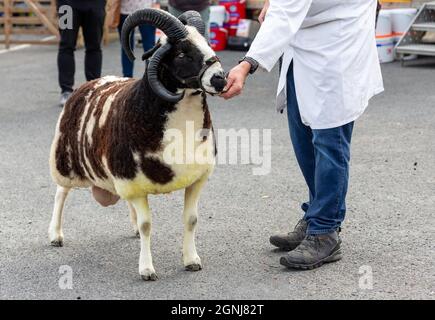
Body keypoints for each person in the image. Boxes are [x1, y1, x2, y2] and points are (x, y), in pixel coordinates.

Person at [221, 0, 384, 270]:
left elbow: (284, 14)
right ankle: (316, 214)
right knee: (303, 138)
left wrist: (245, 65)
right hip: (305, 46)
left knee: (328, 143)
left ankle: (324, 230)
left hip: (337, 47)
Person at [57, 0, 107, 107]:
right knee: (66, 46)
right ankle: (66, 91)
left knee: (94, 46)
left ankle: (93, 88)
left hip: (95, 4)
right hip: (67, 5)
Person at [109, 0, 160, 78]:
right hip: (125, 10)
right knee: (126, 47)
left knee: (150, 48)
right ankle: (127, 77)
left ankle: (151, 77)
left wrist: (157, 2)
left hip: (147, 8)